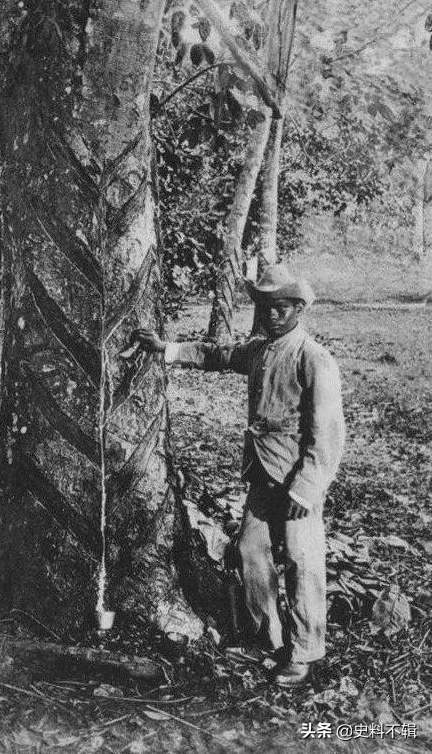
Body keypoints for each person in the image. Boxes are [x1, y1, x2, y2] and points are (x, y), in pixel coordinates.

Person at [134, 264, 345, 687]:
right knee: (250, 550)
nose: (272, 315)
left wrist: (305, 488)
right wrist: (166, 348)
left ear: (299, 308)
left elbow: (328, 435)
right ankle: (268, 637)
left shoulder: (313, 358)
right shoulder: (260, 350)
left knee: (302, 560)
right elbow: (218, 355)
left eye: (281, 307)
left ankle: (305, 652)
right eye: (265, 307)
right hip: (263, 473)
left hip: (296, 480)